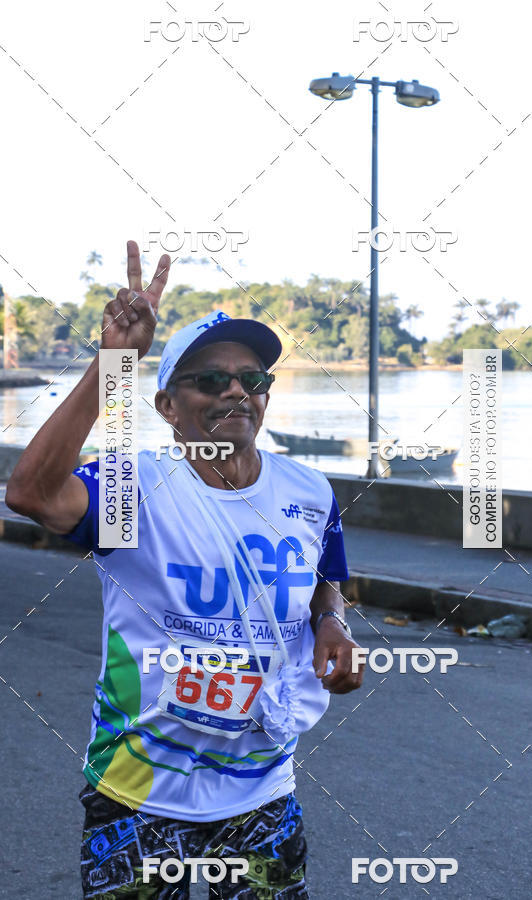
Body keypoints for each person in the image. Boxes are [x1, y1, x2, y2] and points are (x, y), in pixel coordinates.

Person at [6, 241, 364, 899]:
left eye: (253, 379)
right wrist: (115, 362)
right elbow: (30, 493)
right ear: (168, 406)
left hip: (261, 788)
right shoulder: (133, 492)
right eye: (210, 379)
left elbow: (325, 579)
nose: (236, 389)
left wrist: (332, 623)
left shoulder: (309, 493)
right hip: (138, 790)